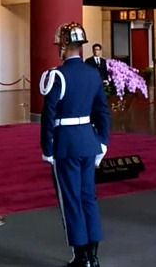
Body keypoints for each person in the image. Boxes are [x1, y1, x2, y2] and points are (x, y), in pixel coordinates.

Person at [40, 23, 111, 267]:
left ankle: (81, 256)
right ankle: (93, 254)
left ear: (63, 46)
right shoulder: (93, 73)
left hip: (67, 144)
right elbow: (103, 111)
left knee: (71, 199)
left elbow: (49, 115)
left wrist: (47, 148)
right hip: (89, 141)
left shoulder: (58, 76)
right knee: (88, 197)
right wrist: (103, 142)